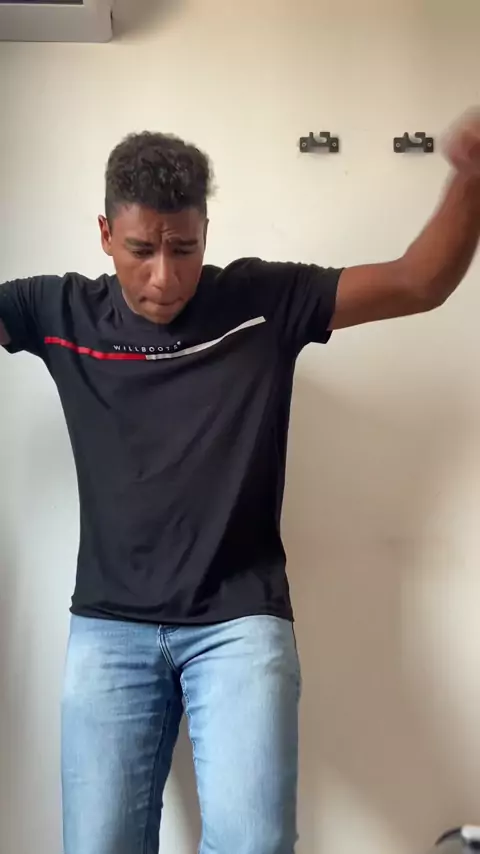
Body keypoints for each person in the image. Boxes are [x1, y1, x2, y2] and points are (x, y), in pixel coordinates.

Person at [1, 111, 480, 854]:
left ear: (205, 232)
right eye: (140, 250)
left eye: (184, 248)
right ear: (105, 234)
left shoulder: (260, 303)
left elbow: (418, 281)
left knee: (254, 845)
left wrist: (472, 177)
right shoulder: (58, 311)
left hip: (238, 623)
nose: (164, 276)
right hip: (109, 626)